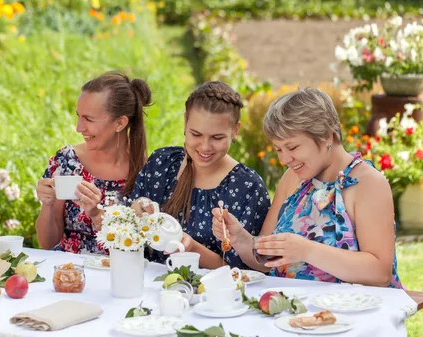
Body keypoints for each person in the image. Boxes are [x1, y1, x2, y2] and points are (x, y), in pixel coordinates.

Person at [213, 87, 403, 288]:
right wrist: (242, 239)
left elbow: (380, 273)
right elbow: (266, 263)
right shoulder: (293, 179)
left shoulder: (368, 184)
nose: (284, 159)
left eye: (292, 147)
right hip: (295, 311)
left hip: (357, 313)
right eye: (278, 149)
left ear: (326, 136)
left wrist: (307, 251)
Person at [130, 81, 270, 269]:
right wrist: (136, 210)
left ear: (235, 131)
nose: (205, 147)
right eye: (196, 134)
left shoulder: (247, 187)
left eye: (217, 138)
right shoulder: (162, 163)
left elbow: (243, 271)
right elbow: (130, 225)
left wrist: (192, 248)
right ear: (185, 122)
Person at [35, 71, 152, 254]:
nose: (79, 127)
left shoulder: (148, 172)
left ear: (120, 123)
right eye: (79, 116)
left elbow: (146, 245)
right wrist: (47, 206)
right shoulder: (67, 161)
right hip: (71, 275)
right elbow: (47, 243)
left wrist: (97, 214)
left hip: (120, 274)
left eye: (88, 119)